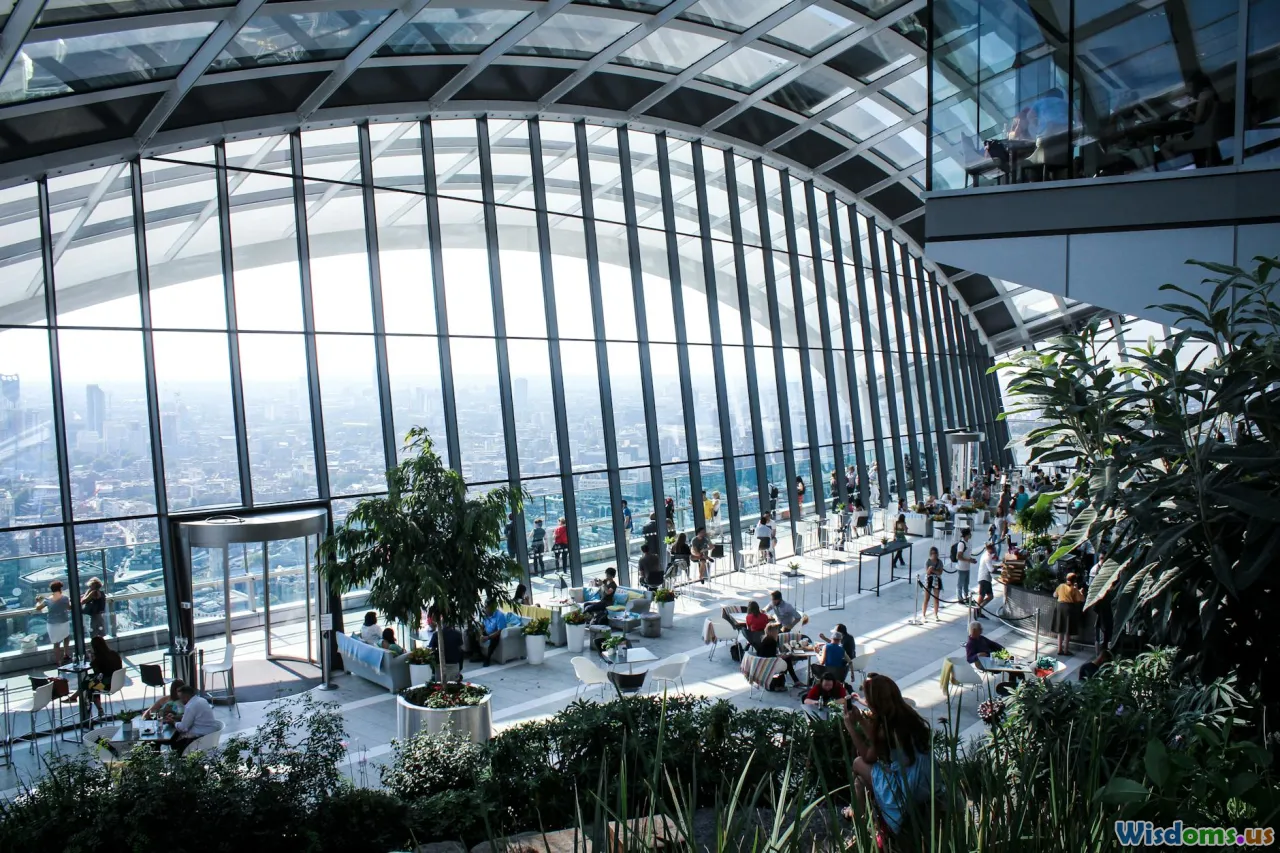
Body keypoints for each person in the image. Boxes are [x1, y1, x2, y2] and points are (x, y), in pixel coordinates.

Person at [840, 673, 938, 837]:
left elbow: (868, 756)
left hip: (906, 787)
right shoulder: (906, 714)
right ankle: (857, 816)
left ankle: (861, 830)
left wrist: (851, 727)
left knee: (857, 763)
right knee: (859, 782)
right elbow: (878, 742)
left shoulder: (886, 727)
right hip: (925, 779)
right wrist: (862, 722)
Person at [64, 635, 122, 718]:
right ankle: (96, 707)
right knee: (90, 682)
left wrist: (92, 659)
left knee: (89, 685)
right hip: (116, 682)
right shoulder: (114, 654)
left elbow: (97, 673)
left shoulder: (99, 659)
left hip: (107, 684)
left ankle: (78, 698)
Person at [168, 684, 218, 755]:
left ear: (186, 697)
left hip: (199, 738)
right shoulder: (201, 700)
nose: (180, 700)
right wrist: (176, 717)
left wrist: (173, 722)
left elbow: (183, 727)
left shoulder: (190, 706)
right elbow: (192, 717)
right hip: (210, 735)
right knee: (177, 738)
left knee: (174, 742)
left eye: (181, 698)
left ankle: (181, 762)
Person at [34, 580, 71, 664]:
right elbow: (69, 607)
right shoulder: (65, 598)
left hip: (52, 624)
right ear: (60, 589)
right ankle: (66, 654)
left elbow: (38, 608)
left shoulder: (48, 600)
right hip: (64, 621)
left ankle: (59, 661)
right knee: (66, 637)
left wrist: (38, 601)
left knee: (56, 643)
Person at [1051, 573, 1084, 656]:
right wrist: (1079, 591)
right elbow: (1081, 599)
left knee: (1060, 629)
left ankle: (1059, 649)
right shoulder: (1074, 589)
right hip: (1069, 608)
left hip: (1060, 607)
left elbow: (1054, 595)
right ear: (1074, 580)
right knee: (1067, 630)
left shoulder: (1061, 586)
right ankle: (1066, 650)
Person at [427, 608, 465, 678]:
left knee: (432, 654)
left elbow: (431, 649)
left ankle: (433, 673)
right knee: (461, 652)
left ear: (441, 623)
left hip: (441, 660)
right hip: (454, 660)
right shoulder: (458, 634)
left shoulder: (436, 634)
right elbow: (460, 648)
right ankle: (459, 670)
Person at [471, 599, 505, 666]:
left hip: (495, 634)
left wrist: (488, 637)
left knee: (495, 639)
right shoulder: (485, 614)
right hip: (487, 632)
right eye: (485, 606)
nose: (485, 608)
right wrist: (481, 635)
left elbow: (499, 631)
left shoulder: (499, 615)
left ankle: (487, 658)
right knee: (473, 632)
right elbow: (482, 626)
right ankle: (478, 654)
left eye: (486, 606)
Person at [974, 542, 999, 619]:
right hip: (984, 578)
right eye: (993, 548)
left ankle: (979, 609)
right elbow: (991, 569)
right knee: (982, 595)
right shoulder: (987, 557)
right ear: (990, 549)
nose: (995, 549)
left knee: (990, 596)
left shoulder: (987, 555)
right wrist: (996, 568)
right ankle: (977, 610)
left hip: (986, 579)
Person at [922, 546, 944, 622]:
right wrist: (929, 570)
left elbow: (940, 572)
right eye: (932, 553)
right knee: (926, 598)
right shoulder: (928, 562)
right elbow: (927, 573)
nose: (934, 555)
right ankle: (923, 615)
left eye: (935, 553)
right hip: (929, 580)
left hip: (936, 580)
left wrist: (933, 570)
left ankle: (936, 614)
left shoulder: (940, 562)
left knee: (936, 598)